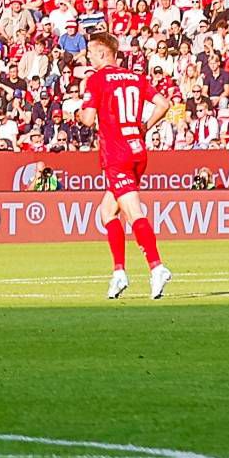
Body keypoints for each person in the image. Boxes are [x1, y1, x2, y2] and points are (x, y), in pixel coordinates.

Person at [81, 31, 170, 301]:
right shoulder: (135, 77)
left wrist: (78, 107)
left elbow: (87, 120)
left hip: (117, 152)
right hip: (137, 149)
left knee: (133, 212)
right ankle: (119, 272)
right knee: (107, 211)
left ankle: (157, 267)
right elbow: (163, 104)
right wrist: (143, 126)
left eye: (90, 53)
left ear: (102, 53)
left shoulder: (97, 79)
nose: (88, 57)